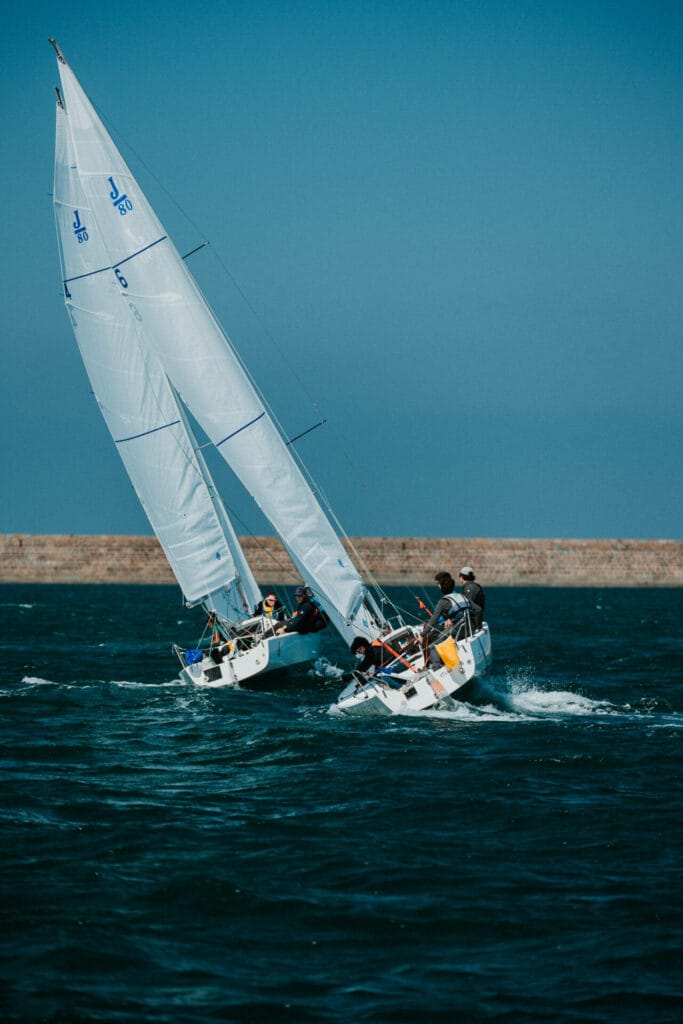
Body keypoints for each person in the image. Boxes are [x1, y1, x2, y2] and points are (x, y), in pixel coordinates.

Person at [422, 572, 472, 668]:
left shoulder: (443, 602)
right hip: (469, 627)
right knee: (440, 636)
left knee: (432, 647)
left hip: (458, 629)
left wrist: (422, 634)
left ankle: (436, 668)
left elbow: (433, 621)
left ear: (441, 587)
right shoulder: (462, 596)